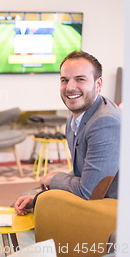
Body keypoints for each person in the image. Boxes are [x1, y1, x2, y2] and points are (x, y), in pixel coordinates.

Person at [15, 51, 121, 216]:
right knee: (27, 198)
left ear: (98, 84)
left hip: (110, 212)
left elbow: (89, 191)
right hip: (92, 201)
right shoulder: (74, 121)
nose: (70, 87)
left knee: (38, 205)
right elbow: (82, 174)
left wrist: (54, 178)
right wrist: (41, 193)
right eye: (65, 80)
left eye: (80, 79)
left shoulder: (105, 122)